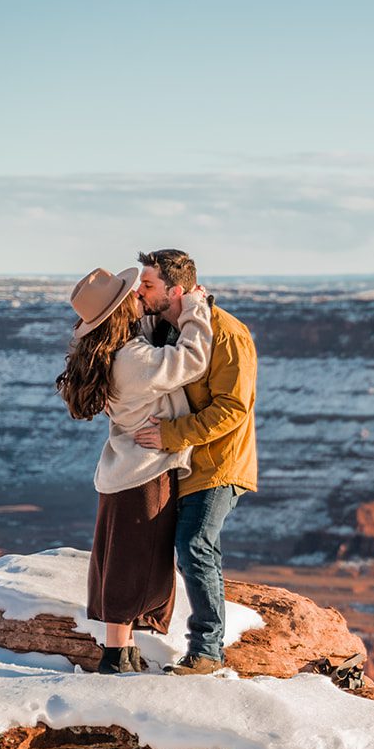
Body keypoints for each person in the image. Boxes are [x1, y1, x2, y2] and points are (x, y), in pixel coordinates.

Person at [55, 266, 212, 674]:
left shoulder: (113, 351)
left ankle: (122, 651)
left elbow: (140, 330)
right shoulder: (134, 360)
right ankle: (113, 656)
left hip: (121, 471)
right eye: (134, 298)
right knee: (133, 564)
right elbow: (192, 360)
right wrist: (195, 307)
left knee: (120, 558)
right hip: (145, 473)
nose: (141, 299)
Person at [131, 248, 258, 676]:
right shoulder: (170, 330)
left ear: (176, 290)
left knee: (194, 546)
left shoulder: (226, 334)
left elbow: (232, 408)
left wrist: (170, 435)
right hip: (182, 464)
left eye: (147, 285)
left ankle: (207, 652)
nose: (140, 292)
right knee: (174, 548)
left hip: (218, 463)